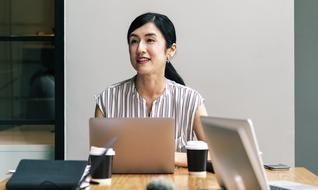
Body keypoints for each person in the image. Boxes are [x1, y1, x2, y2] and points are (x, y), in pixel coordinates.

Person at [94, 12, 207, 166]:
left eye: (150, 40)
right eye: (134, 41)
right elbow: (98, 161)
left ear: (170, 50)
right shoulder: (107, 99)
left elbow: (214, 155)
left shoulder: (192, 101)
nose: (140, 48)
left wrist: (167, 156)